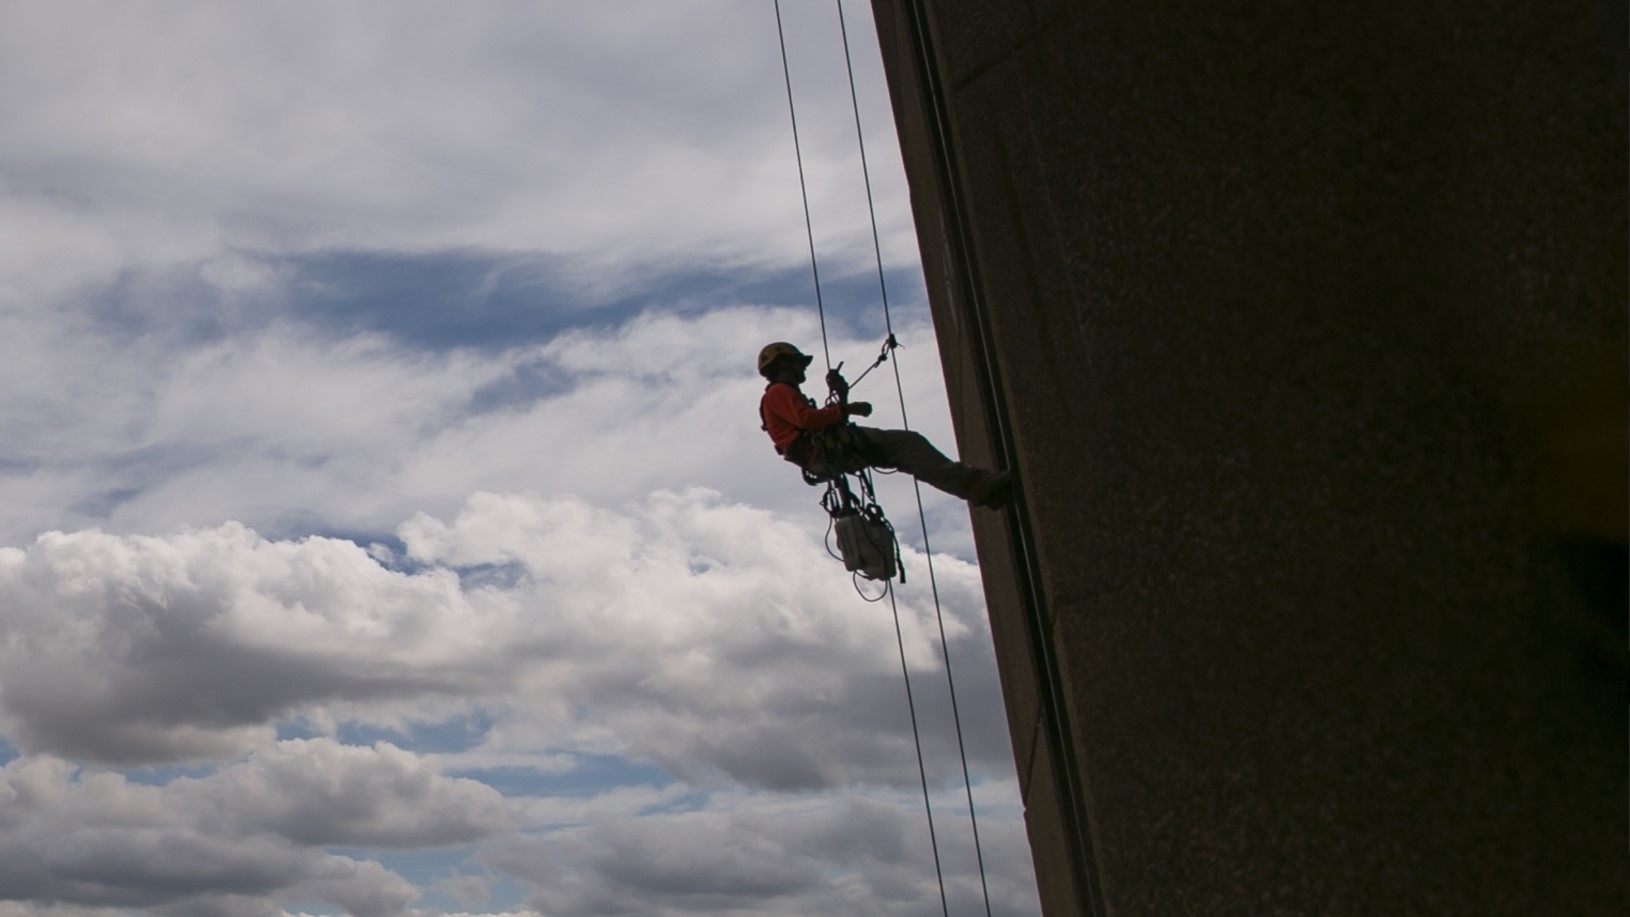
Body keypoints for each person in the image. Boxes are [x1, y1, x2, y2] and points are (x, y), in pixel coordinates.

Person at [757, 342, 1013, 509]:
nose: (802, 369)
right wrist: (847, 408)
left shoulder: (783, 394)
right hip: (823, 452)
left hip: (823, 454)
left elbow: (815, 423)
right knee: (907, 444)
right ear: (783, 365)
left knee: (903, 454)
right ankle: (976, 485)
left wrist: (841, 396)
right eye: (798, 363)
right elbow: (808, 420)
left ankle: (981, 490)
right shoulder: (777, 392)